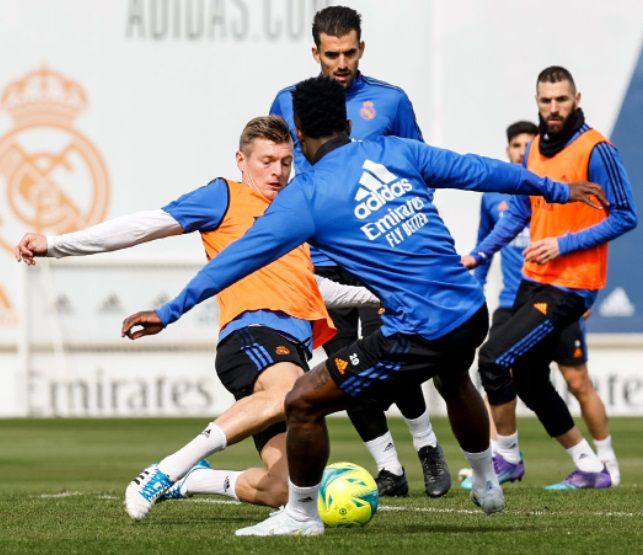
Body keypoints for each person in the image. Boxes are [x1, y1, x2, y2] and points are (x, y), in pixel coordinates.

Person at [120, 76, 608, 535]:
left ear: (300, 133)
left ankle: (301, 514)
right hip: (467, 308)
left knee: (302, 401)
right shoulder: (395, 149)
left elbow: (234, 262)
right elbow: (477, 169)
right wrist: (558, 189)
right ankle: (485, 481)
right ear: (349, 126)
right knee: (455, 377)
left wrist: (168, 312)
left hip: (419, 329)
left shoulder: (306, 195)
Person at [14, 115, 380, 519]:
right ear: (241, 161)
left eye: (286, 162)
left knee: (283, 488)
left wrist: (377, 295)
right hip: (253, 335)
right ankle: (168, 468)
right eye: (266, 161)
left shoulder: (294, 214)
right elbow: (144, 225)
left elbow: (311, 287)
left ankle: (193, 481)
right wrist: (57, 244)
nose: (277, 172)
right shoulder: (224, 196)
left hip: (290, 351)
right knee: (288, 394)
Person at [270, 4, 447, 498]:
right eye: (332, 54)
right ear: (315, 53)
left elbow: (420, 170)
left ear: (361, 49)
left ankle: (428, 447)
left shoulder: (390, 102)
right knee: (346, 366)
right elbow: (278, 170)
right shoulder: (288, 102)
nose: (341, 63)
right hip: (319, 262)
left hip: (378, 255)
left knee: (392, 356)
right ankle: (390, 468)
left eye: (349, 52)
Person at [462, 67, 637, 490]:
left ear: (577, 98)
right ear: (537, 102)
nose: (553, 108)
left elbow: (626, 214)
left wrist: (564, 244)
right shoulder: (536, 147)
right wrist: (481, 252)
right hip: (534, 278)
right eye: (546, 101)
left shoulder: (596, 149)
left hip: (571, 283)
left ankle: (505, 457)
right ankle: (590, 466)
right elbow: (521, 212)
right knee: (526, 376)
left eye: (561, 99)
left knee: (492, 360)